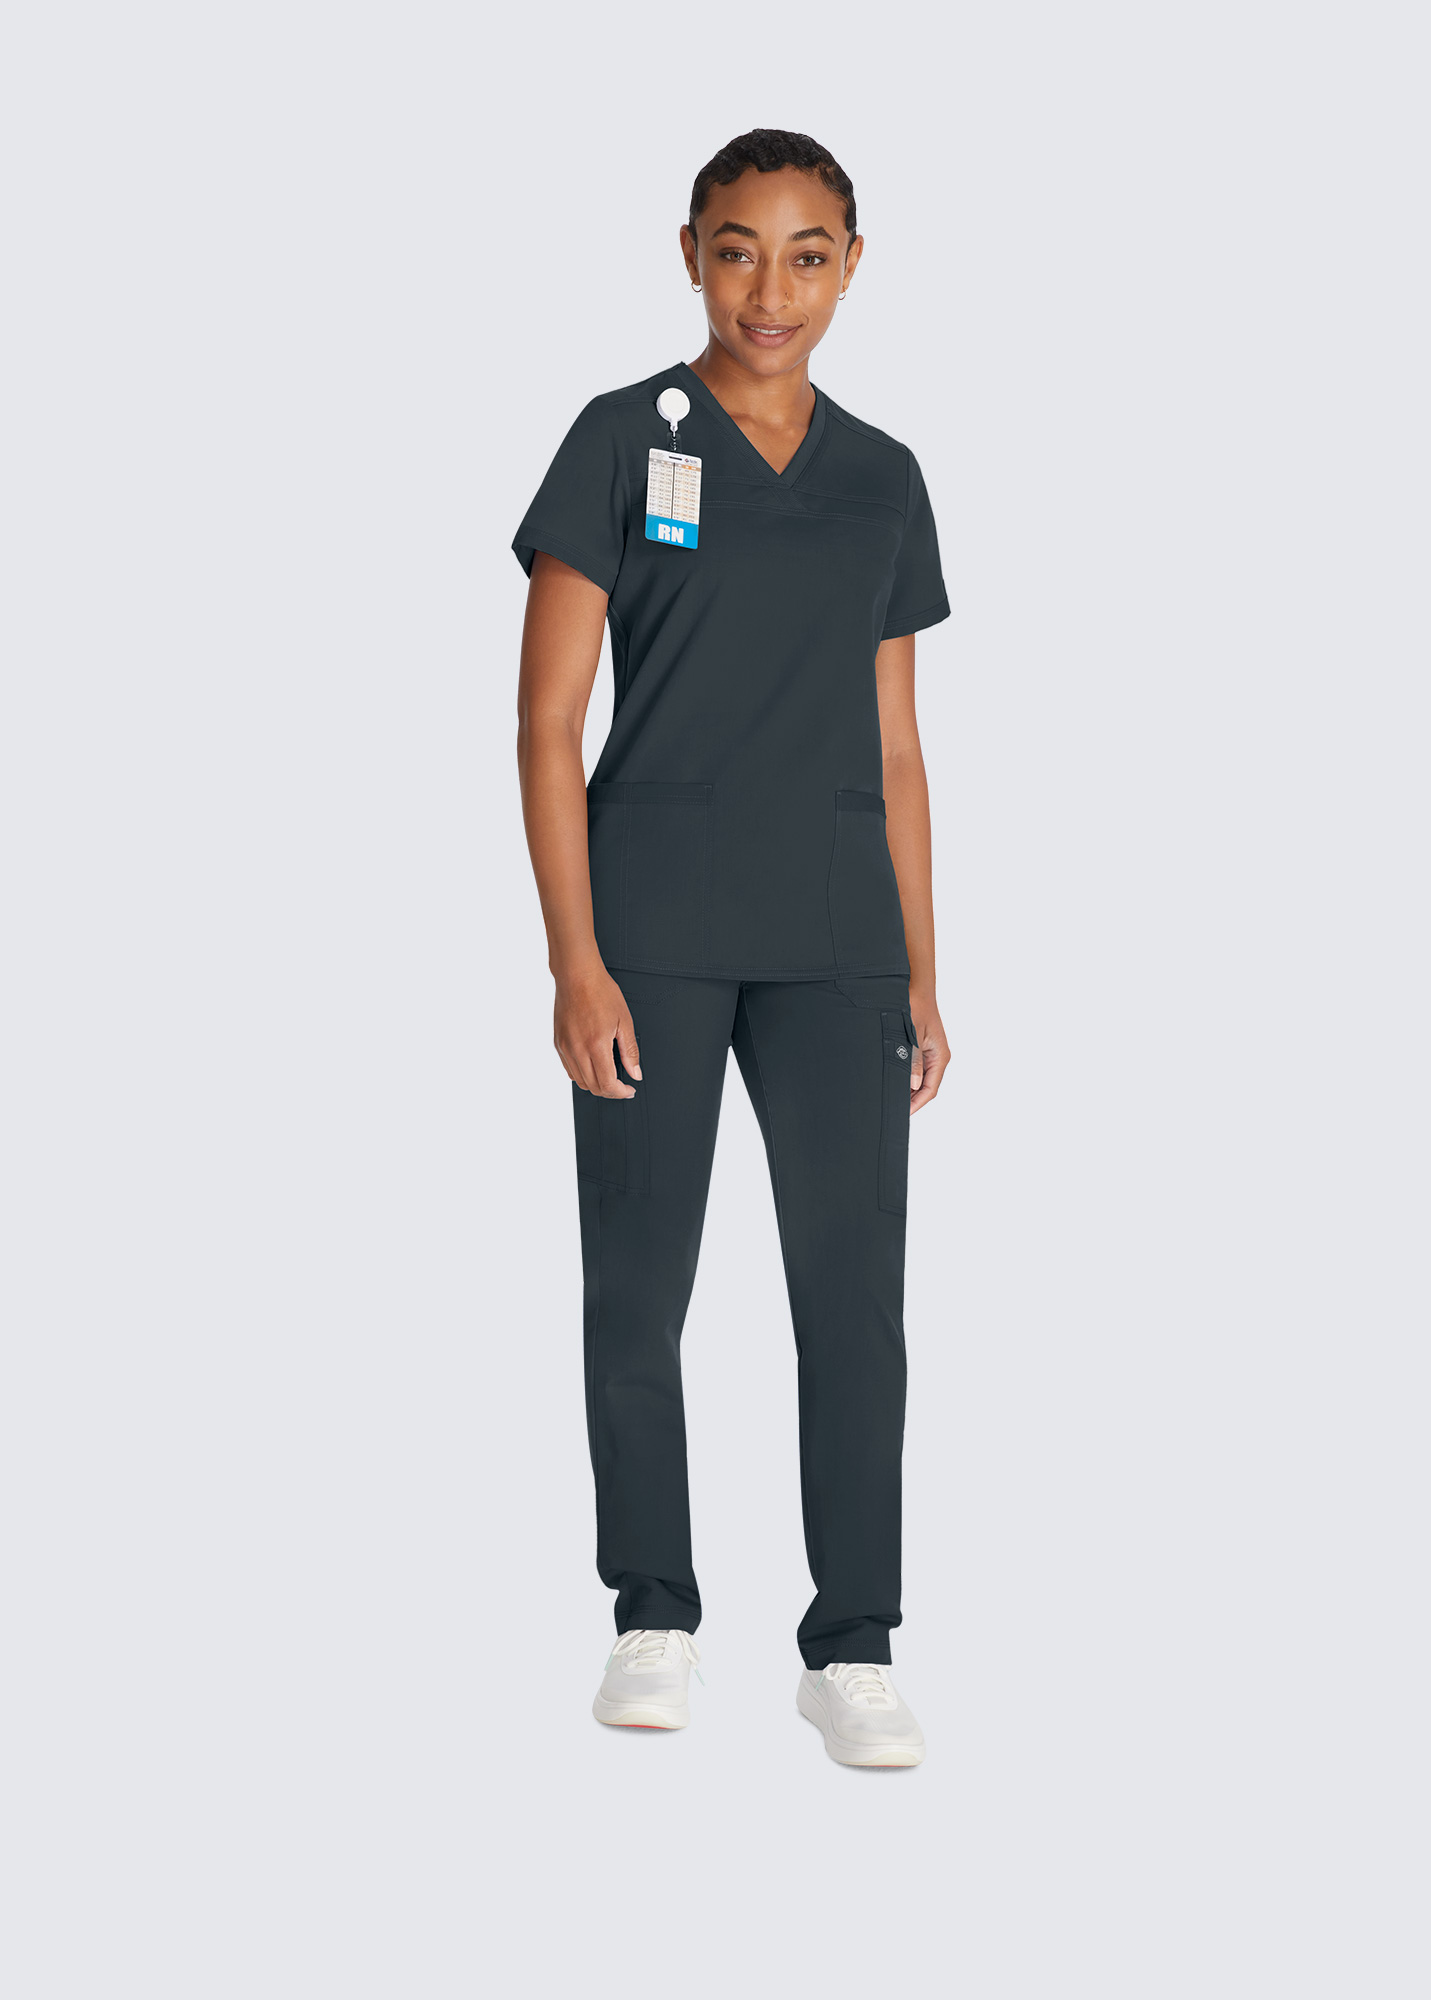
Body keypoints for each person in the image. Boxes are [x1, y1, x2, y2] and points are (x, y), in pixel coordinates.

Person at [513, 129, 951, 1767]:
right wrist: (575, 958)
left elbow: (898, 748)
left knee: (855, 1300)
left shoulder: (882, 475)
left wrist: (921, 968)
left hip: (839, 938)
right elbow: (546, 724)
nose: (774, 288)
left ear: (853, 263)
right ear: (690, 253)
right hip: (656, 930)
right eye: (740, 249)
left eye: (808, 252)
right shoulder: (622, 440)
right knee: (640, 1286)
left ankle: (855, 1645)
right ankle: (653, 1612)